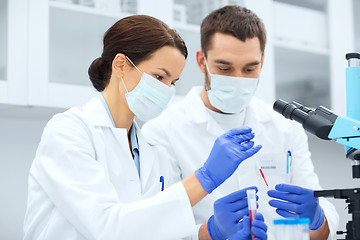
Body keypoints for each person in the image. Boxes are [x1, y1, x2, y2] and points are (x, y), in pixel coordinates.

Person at [23, 15, 268, 240]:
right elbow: (107, 228)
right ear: (120, 65)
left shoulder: (152, 149)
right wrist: (205, 178)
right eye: (159, 77)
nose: (166, 90)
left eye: (173, 82)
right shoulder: (69, 132)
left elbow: (152, 232)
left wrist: (211, 232)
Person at [142, 5, 339, 240]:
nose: (238, 79)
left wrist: (317, 219)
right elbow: (156, 230)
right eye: (224, 68)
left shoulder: (285, 127)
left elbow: (320, 230)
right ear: (202, 61)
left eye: (250, 68)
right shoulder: (162, 131)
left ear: (262, 61)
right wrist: (210, 232)